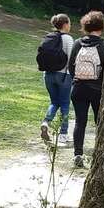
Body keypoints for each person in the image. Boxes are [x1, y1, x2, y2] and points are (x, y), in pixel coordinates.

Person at [69, 10, 104, 167]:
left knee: (80, 121)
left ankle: (78, 154)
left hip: (78, 88)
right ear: (101, 27)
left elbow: (71, 66)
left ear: (85, 26)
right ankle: (100, 152)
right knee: (100, 122)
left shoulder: (77, 43)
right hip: (97, 89)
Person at [37, 13, 74, 146]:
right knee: (64, 103)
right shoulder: (68, 39)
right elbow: (71, 60)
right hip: (64, 75)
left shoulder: (49, 37)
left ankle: (46, 122)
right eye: (69, 23)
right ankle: (63, 134)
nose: (70, 25)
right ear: (65, 24)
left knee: (54, 101)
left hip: (48, 74)